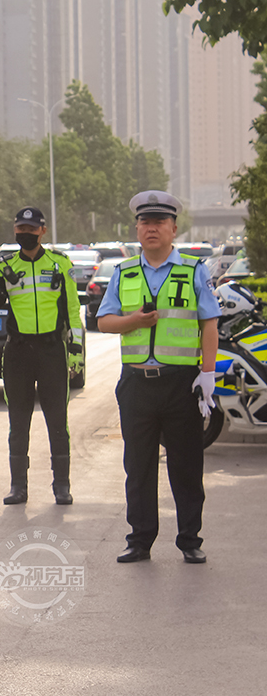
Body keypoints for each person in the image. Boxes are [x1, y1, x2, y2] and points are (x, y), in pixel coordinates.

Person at [96, 191, 219, 564]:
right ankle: (139, 539)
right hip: (136, 384)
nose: (152, 228)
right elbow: (104, 322)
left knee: (186, 465)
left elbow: (208, 322)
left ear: (173, 229)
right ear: (137, 228)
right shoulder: (123, 272)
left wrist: (208, 374)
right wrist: (133, 321)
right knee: (138, 466)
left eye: (159, 222)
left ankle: (190, 540)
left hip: (181, 382)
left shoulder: (193, 271)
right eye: (145, 222)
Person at [0, 207, 84, 505]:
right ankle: (18, 487)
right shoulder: (6, 265)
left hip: (52, 351)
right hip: (18, 353)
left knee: (57, 419)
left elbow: (73, 310)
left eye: (31, 229)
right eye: (20, 228)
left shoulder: (60, 264)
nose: (25, 233)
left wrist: (76, 353)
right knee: (18, 420)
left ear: (42, 231)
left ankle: (61, 486)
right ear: (15, 230)